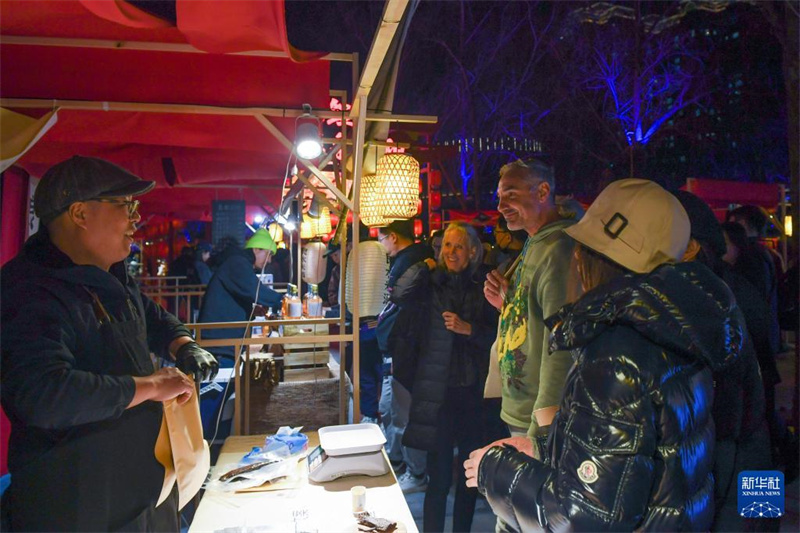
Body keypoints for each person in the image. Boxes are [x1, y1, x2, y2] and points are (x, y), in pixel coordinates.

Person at [465, 179, 725, 531]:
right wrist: (544, 449)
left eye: (582, 246)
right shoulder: (681, 326)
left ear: (594, 258)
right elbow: (636, 463)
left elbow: (580, 516)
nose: (574, 255)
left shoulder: (617, 358)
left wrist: (493, 468)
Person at [1, 156, 218, 531]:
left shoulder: (112, 275)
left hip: (142, 492)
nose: (136, 218)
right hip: (75, 502)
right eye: (125, 206)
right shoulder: (29, 290)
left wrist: (183, 345)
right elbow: (46, 393)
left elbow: (150, 316)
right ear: (81, 213)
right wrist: (151, 387)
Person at [674, 191, 775, 531]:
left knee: (756, 520)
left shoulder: (713, 297)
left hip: (742, 447)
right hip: (751, 439)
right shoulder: (722, 288)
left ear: (690, 247)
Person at [396, 222, 498, 532]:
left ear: (472, 252)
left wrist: (470, 330)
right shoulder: (429, 282)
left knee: (469, 474)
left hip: (472, 393)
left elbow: (499, 336)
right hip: (436, 391)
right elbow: (399, 292)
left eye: (458, 246)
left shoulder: (483, 286)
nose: (450, 252)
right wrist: (423, 264)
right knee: (437, 476)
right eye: (446, 246)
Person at [482, 159, 577, 458]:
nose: (500, 206)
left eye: (510, 194)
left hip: (538, 420)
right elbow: (535, 317)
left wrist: (541, 434)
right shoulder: (535, 242)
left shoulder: (559, 249)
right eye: (499, 197)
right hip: (521, 411)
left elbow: (561, 345)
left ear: (542, 191)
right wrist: (506, 305)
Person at [376, 219, 434, 493]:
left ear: (394, 237)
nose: (381, 244)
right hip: (403, 346)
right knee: (393, 409)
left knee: (402, 413)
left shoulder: (412, 262)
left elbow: (398, 302)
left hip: (407, 347)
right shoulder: (416, 259)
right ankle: (403, 463)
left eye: (382, 238)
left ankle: (415, 472)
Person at [197, 228, 282, 367]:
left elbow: (233, 297)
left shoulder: (238, 263)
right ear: (256, 249)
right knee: (222, 385)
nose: (270, 260)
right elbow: (256, 290)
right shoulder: (238, 263)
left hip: (221, 341)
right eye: (269, 254)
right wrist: (283, 300)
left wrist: (251, 311)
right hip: (219, 345)